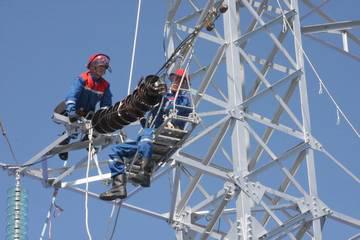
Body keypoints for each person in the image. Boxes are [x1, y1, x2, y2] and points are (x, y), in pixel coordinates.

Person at [99, 68, 192, 201]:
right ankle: (118, 186)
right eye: (175, 79)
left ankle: (145, 172)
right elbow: (150, 121)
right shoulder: (162, 98)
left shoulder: (184, 100)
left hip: (166, 132)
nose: (176, 82)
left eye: (180, 81)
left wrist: (162, 97)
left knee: (146, 135)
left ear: (185, 85)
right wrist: (141, 100)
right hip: (148, 138)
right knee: (115, 151)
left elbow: (171, 109)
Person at [54, 53, 113, 160]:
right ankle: (63, 144)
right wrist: (72, 111)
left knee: (99, 124)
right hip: (74, 110)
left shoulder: (105, 86)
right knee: (74, 128)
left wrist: (105, 117)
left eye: (104, 68)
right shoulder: (83, 79)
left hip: (88, 112)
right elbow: (72, 95)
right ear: (93, 66)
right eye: (101, 67)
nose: (102, 70)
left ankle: (88, 139)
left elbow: (106, 105)